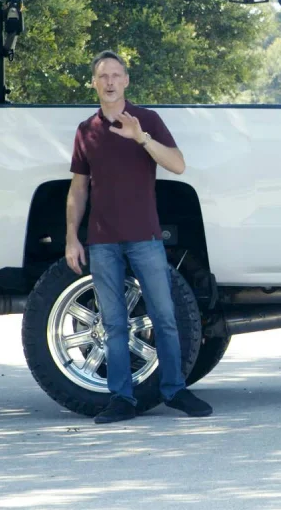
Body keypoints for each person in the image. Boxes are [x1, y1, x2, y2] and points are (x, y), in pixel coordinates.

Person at [65, 50, 213, 424]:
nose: (110, 82)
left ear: (127, 80)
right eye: (103, 76)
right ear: (95, 83)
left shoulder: (146, 120)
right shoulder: (86, 131)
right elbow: (78, 189)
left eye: (116, 75)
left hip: (145, 236)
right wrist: (72, 236)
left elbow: (178, 165)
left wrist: (141, 138)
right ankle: (121, 399)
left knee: (164, 316)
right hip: (102, 241)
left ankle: (175, 390)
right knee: (112, 323)